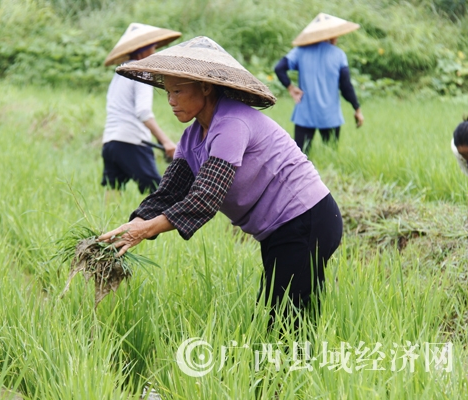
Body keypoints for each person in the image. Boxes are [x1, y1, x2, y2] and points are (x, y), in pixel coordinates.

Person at [98, 36, 343, 328]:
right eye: (167, 93)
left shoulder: (232, 123)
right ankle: (290, 371)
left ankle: (283, 372)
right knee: (284, 317)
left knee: (283, 321)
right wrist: (134, 224)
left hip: (306, 219)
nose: (171, 101)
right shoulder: (192, 136)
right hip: (279, 231)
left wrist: (146, 229)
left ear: (205, 87)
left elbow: (206, 197)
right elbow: (169, 192)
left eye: (178, 91)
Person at [101, 23, 180, 194]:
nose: (154, 54)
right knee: (158, 192)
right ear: (143, 51)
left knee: (113, 189)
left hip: (110, 142)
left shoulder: (120, 73)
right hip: (132, 141)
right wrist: (166, 141)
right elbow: (143, 112)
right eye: (152, 49)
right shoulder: (140, 74)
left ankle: (105, 221)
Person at [274, 13, 364, 153]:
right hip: (330, 116)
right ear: (330, 36)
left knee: (300, 159)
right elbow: (346, 87)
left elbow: (279, 68)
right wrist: (357, 108)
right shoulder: (339, 55)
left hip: (305, 114)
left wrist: (290, 88)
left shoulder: (300, 51)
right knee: (330, 156)